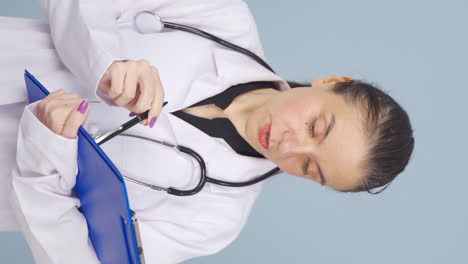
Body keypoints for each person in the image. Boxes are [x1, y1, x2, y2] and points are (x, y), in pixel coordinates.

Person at [0, 0, 414, 263]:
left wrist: (48, 156)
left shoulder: (216, 218)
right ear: (331, 82)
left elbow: (77, 258)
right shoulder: (220, 15)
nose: (289, 146)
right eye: (315, 126)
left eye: (309, 167)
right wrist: (104, 62)